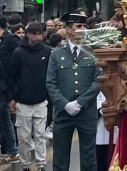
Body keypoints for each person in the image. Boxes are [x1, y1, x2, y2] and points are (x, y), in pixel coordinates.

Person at [46, 12, 101, 171]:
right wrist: (65, 104)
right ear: (68, 30)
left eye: (84, 26)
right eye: (78, 26)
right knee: (60, 159)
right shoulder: (56, 54)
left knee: (89, 158)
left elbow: (99, 80)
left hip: (86, 112)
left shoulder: (93, 53)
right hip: (63, 113)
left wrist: (80, 102)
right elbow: (51, 83)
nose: (83, 30)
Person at [8, 22, 52, 171]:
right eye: (34, 34)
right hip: (23, 100)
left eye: (40, 34)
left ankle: (41, 165)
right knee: (24, 137)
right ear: (28, 35)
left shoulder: (48, 51)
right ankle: (25, 165)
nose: (37, 37)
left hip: (41, 99)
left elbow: (51, 75)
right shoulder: (19, 52)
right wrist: (11, 97)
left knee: (40, 135)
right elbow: (11, 76)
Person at [0, 18, 18, 164]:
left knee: (5, 119)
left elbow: (12, 66)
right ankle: (9, 150)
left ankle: (11, 150)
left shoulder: (10, 40)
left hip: (5, 85)